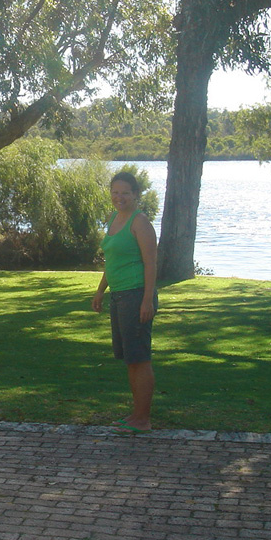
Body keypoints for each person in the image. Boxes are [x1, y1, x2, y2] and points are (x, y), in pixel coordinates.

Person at [91, 171, 158, 435]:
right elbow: (112, 261)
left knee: (140, 358)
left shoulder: (140, 223)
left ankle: (143, 419)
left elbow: (151, 263)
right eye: (115, 192)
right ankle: (136, 414)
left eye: (125, 193)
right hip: (118, 296)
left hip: (136, 295)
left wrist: (146, 301)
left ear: (136, 195)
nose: (119, 197)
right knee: (130, 359)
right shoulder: (113, 220)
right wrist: (100, 291)